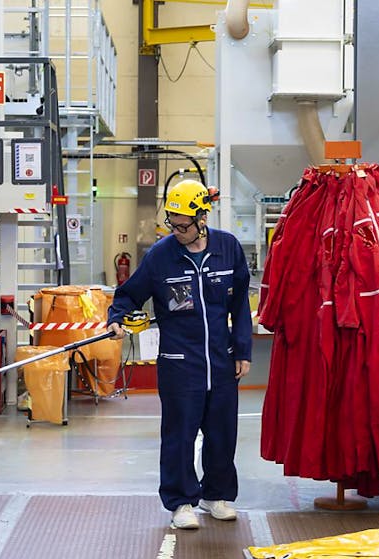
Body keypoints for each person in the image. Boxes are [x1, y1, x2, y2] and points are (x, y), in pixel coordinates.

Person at [107, 179, 252, 530]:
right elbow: (128, 295)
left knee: (222, 433)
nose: (176, 230)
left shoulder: (228, 248)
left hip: (221, 360)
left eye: (183, 225)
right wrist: (117, 318)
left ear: (202, 218)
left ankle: (216, 495)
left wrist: (242, 350)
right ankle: (181, 501)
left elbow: (240, 305)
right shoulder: (161, 256)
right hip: (179, 363)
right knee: (179, 435)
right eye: (172, 223)